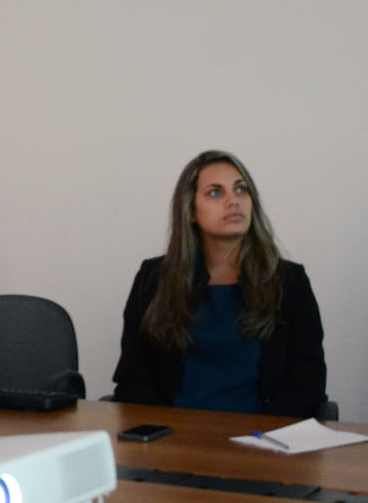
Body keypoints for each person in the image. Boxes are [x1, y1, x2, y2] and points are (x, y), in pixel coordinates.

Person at [112, 150, 328, 415]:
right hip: (173, 434)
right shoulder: (155, 279)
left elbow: (308, 385)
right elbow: (133, 382)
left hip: (262, 434)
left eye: (241, 190)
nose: (233, 201)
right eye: (215, 192)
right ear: (191, 211)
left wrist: (257, 431)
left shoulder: (288, 282)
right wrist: (167, 430)